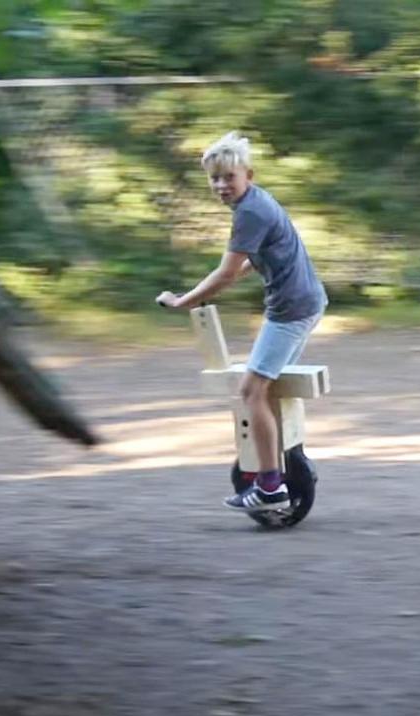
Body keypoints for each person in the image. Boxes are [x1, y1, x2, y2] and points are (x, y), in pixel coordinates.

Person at [156, 131, 328, 512]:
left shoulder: (249, 212)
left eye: (228, 177)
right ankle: (283, 460)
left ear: (247, 174)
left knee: (252, 391)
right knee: (269, 387)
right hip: (307, 302)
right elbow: (265, 253)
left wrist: (184, 301)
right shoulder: (257, 201)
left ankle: (269, 487)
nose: (220, 185)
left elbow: (226, 273)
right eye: (214, 178)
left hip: (291, 309)